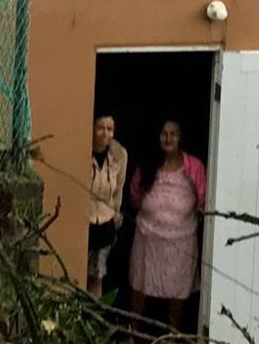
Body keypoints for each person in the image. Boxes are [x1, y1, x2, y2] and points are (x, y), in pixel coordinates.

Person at [128, 120, 208, 332]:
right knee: (140, 285)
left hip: (180, 240)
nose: (168, 138)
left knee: (177, 290)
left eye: (173, 134)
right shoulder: (148, 164)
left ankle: (174, 338)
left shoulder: (194, 166)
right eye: (164, 133)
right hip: (148, 238)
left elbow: (202, 201)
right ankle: (132, 333)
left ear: (181, 138)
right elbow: (135, 196)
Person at [87, 115, 128, 296]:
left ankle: (93, 320)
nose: (105, 134)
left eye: (110, 129)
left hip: (105, 224)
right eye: (100, 128)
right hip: (85, 221)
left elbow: (118, 190)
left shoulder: (119, 156)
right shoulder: (84, 151)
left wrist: (115, 214)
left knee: (97, 276)